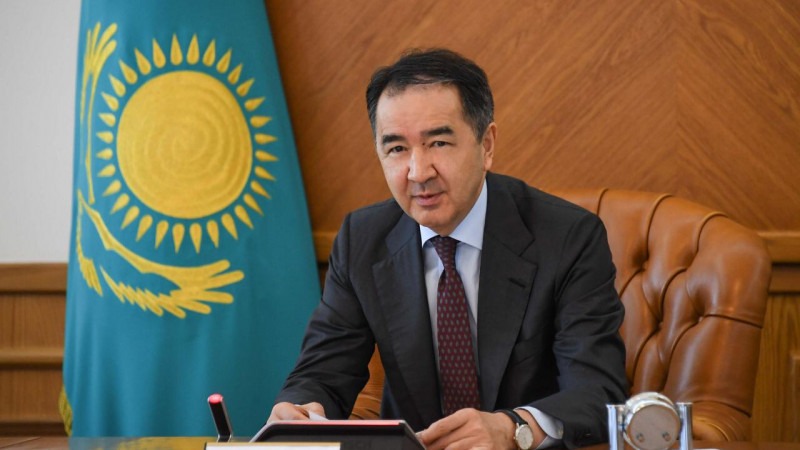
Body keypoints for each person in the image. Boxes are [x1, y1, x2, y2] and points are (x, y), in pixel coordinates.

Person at [269, 48, 628, 450]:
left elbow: (598, 391)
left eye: (438, 142)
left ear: (486, 145)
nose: (418, 172)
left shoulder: (567, 237)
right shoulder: (362, 239)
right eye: (397, 149)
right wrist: (299, 409)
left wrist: (513, 429)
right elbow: (323, 371)